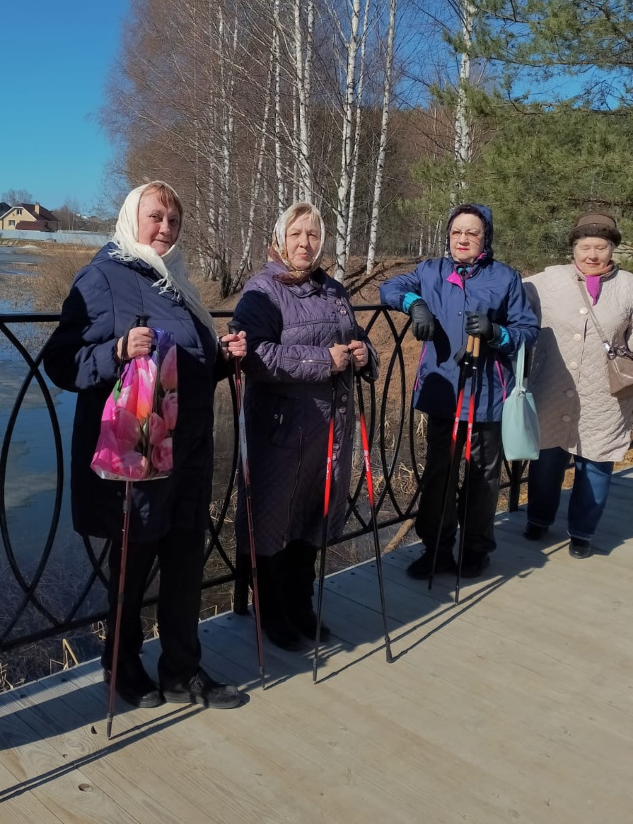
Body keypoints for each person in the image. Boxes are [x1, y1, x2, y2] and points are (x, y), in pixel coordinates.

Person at [44, 181, 246, 709]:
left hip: (189, 451)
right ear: (132, 218)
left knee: (184, 563)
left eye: (173, 221)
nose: (165, 228)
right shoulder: (101, 277)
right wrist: (113, 350)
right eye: (155, 217)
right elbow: (61, 361)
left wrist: (223, 357)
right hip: (138, 453)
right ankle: (121, 664)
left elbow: (188, 369)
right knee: (133, 565)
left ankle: (183, 669)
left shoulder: (176, 281)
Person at [230, 201, 379, 651]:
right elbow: (253, 356)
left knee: (312, 519)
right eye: (296, 234)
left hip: (329, 431)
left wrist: (363, 354)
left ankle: (301, 604)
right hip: (279, 430)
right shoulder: (262, 290)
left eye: (312, 235)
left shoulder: (333, 290)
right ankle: (270, 611)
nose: (304, 243)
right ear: (280, 238)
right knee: (272, 520)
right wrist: (322, 361)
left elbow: (354, 335)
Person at [380, 203, 539, 579]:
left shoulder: (505, 278)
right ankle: (436, 549)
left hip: (487, 396)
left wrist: (496, 332)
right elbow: (390, 287)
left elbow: (527, 330)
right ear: (448, 236)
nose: (463, 239)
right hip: (444, 396)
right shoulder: (431, 271)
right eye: (457, 232)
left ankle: (476, 549)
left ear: (485, 238)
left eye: (472, 232)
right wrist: (415, 303)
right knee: (440, 475)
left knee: (483, 478)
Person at [522, 213, 633, 558]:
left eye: (601, 247)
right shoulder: (546, 281)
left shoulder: (629, 286)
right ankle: (539, 520)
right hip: (553, 384)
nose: (593, 255)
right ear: (574, 248)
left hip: (606, 393)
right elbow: (509, 299)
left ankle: (582, 533)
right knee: (546, 458)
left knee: (597, 464)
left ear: (612, 249)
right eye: (586, 247)